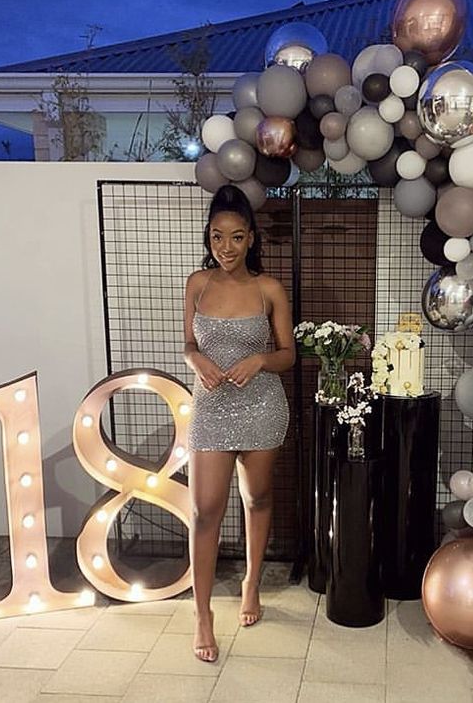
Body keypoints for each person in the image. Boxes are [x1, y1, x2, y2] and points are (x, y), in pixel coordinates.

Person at [183, 184, 294, 662]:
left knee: (258, 497)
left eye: (235, 237)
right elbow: (188, 343)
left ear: (251, 238)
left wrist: (261, 361)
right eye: (216, 237)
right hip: (210, 408)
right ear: (208, 239)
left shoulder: (268, 288)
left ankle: (251, 582)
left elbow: (290, 354)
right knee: (206, 510)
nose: (224, 248)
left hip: (261, 404)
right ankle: (202, 614)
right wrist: (195, 362)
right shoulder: (197, 284)